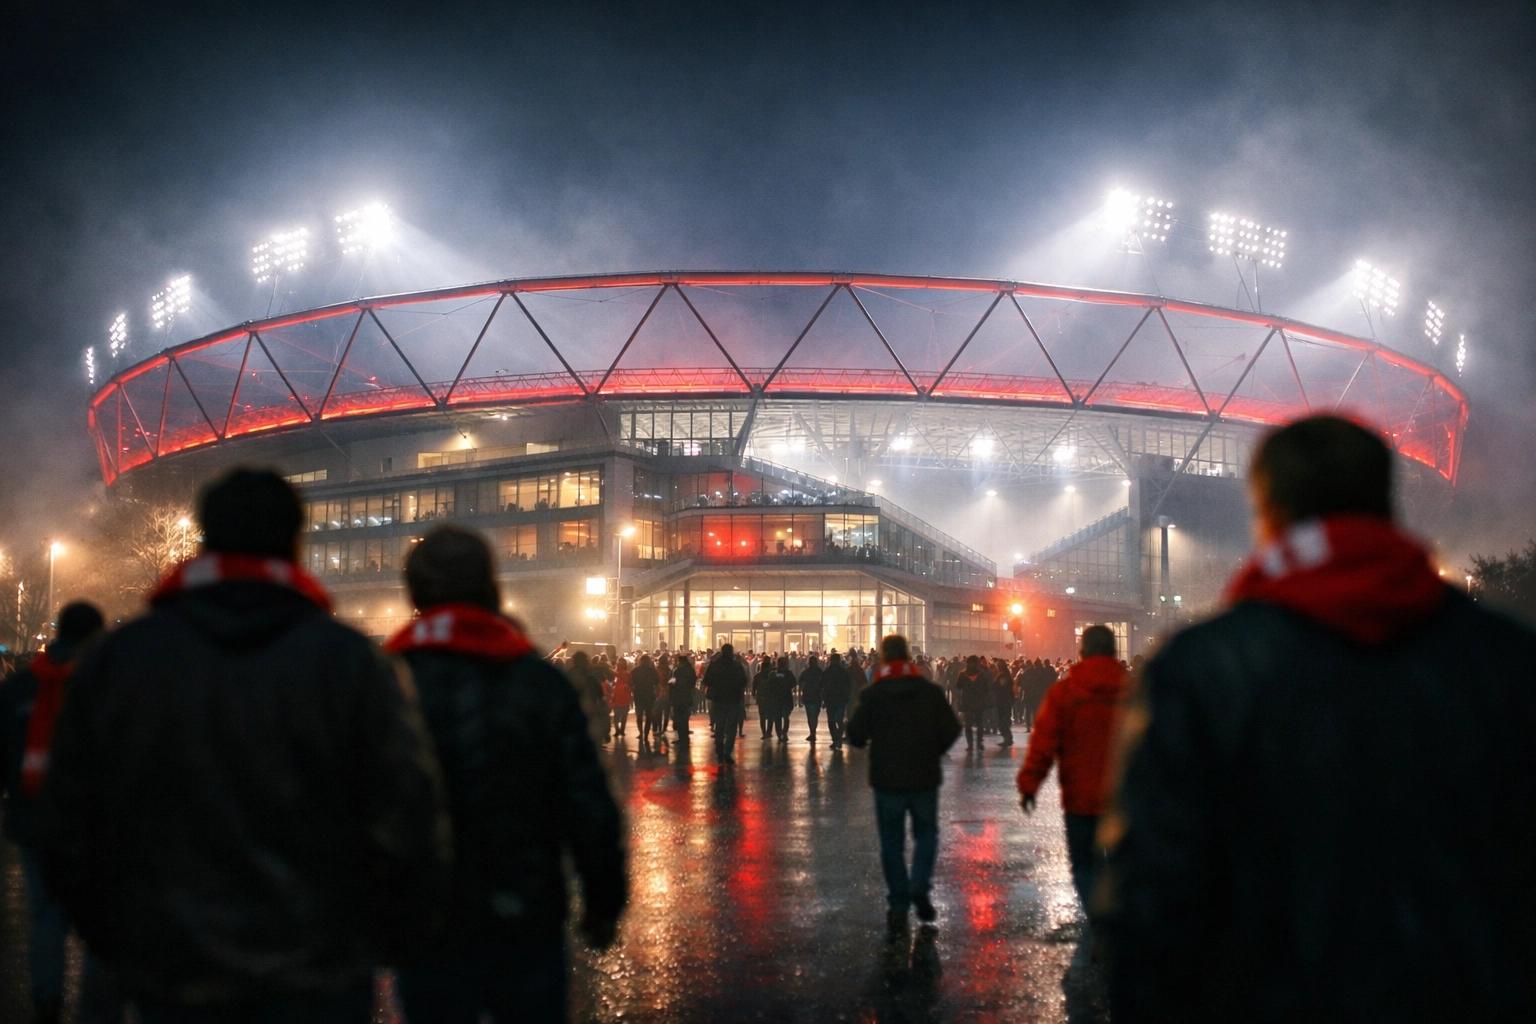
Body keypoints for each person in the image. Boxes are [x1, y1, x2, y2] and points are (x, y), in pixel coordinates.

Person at [1102, 415, 1536, 1022]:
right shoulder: (1505, 657)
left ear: (1267, 509)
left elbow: (1155, 890)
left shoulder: (1203, 667)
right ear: (1386, 500)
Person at [37, 468, 449, 1023]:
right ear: (297, 540)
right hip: (317, 972)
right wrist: (383, 938)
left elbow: (67, 813)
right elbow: (406, 810)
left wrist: (114, 933)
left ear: (204, 536)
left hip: (170, 969)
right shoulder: (348, 662)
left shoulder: (123, 659)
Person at [386, 527, 626, 1023]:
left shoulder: (384, 682)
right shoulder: (538, 682)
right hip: (526, 908)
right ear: (491, 588)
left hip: (426, 914)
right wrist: (603, 899)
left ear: (414, 594)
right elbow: (585, 799)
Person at [0, 602, 109, 1024]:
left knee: (46, 916)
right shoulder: (108, 681)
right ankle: (97, 1014)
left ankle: (46, 1004)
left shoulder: (18, 687)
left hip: (34, 818)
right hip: (96, 824)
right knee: (101, 925)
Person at [847, 634, 963, 932]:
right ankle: (920, 883)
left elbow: (856, 735)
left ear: (884, 658)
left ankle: (898, 901)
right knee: (926, 834)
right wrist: (932, 751)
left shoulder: (874, 693)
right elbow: (951, 729)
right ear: (909, 656)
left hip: (887, 778)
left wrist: (875, 744)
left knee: (891, 842)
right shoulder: (929, 691)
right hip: (924, 775)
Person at [1016, 625, 1129, 919]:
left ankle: (1097, 917)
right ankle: (1117, 918)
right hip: (1124, 798)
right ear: (1114, 650)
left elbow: (1043, 743)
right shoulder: (1136, 690)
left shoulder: (1065, 692)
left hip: (1080, 797)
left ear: (1083, 650)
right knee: (1122, 864)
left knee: (1083, 863)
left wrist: (1029, 785)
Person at [702, 643, 748, 764]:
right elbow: (744, 681)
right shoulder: (737, 666)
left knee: (719, 726)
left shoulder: (714, 665)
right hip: (733, 700)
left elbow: (706, 680)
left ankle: (719, 750)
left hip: (718, 699)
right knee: (732, 727)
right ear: (731, 652)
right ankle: (727, 751)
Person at [955, 655, 992, 750]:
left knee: (968, 724)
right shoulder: (981, 675)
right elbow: (986, 688)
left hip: (967, 701)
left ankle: (970, 745)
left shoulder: (962, 674)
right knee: (979, 724)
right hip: (979, 701)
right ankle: (979, 743)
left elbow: (958, 686)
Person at [822, 651, 853, 750]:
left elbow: (821, 684)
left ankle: (835, 740)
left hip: (830, 699)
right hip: (841, 698)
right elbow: (849, 684)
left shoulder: (827, 671)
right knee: (839, 720)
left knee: (831, 720)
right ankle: (838, 738)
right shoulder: (843, 672)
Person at [630, 653, 659, 744]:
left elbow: (631, 682)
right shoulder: (652, 670)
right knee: (648, 716)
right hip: (649, 694)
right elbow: (656, 681)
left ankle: (641, 732)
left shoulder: (635, 670)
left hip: (638, 694)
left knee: (639, 715)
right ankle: (646, 734)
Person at [767, 656, 797, 741]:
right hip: (786, 698)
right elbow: (793, 683)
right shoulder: (789, 673)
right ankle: (784, 733)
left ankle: (779, 734)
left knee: (778, 718)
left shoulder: (773, 674)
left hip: (776, 698)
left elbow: (769, 685)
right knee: (786, 717)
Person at [671, 650, 697, 737]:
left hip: (677, 696)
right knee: (685, 715)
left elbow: (673, 682)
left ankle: (678, 733)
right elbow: (693, 682)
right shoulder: (690, 670)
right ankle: (684, 731)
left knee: (677, 715)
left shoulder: (677, 670)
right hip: (687, 695)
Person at [799, 653, 825, 741]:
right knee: (815, 716)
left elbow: (800, 683)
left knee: (810, 716)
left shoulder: (805, 672)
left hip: (808, 696)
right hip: (817, 696)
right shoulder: (820, 672)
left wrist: (799, 697)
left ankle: (812, 732)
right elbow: (823, 685)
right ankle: (813, 731)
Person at [991, 657, 1015, 749]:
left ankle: (1008, 738)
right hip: (1003, 700)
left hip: (1003, 700)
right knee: (1003, 719)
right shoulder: (1003, 675)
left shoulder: (1003, 676)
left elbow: (1002, 687)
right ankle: (1007, 738)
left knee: (1002, 720)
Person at [608, 657, 633, 739]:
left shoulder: (622, 673)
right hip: (623, 695)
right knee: (622, 715)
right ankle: (620, 730)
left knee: (618, 715)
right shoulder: (626, 673)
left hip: (619, 695)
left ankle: (619, 730)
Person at [752, 655, 775, 738]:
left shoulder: (757, 676)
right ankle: (768, 732)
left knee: (762, 716)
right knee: (770, 716)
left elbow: (754, 686)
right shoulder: (772, 675)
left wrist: (754, 693)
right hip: (770, 697)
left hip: (761, 697)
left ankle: (764, 732)